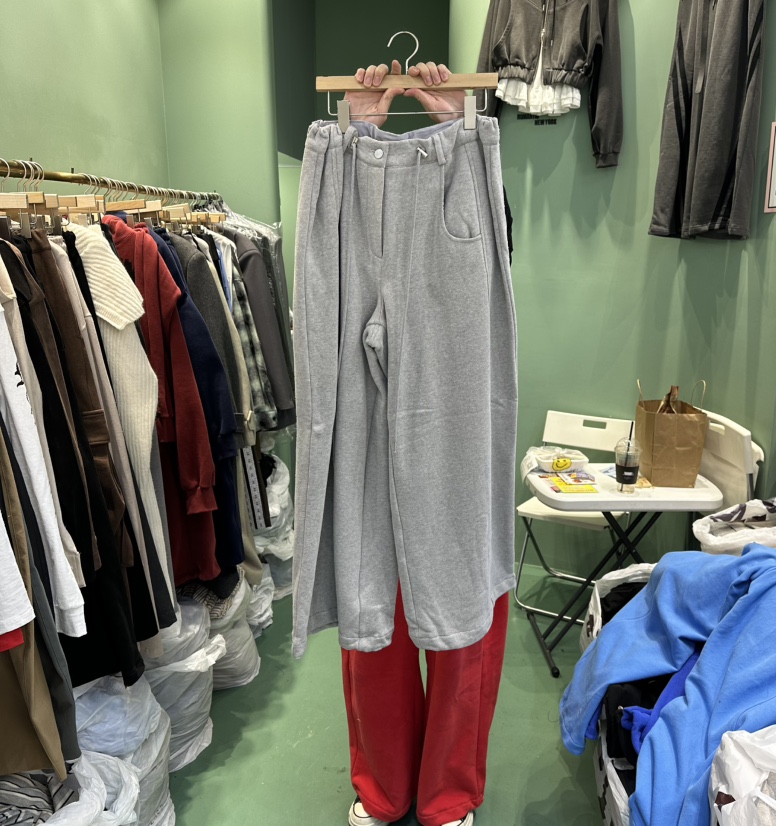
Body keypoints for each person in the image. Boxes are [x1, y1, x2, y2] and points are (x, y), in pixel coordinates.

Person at [338, 60, 511, 826]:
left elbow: (495, 264)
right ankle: (384, 786)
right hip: (354, 198)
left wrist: (459, 136)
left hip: (456, 213)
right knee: (367, 565)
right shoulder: (341, 168)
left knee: (462, 571)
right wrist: (354, 139)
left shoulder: (475, 167)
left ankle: (446, 794)